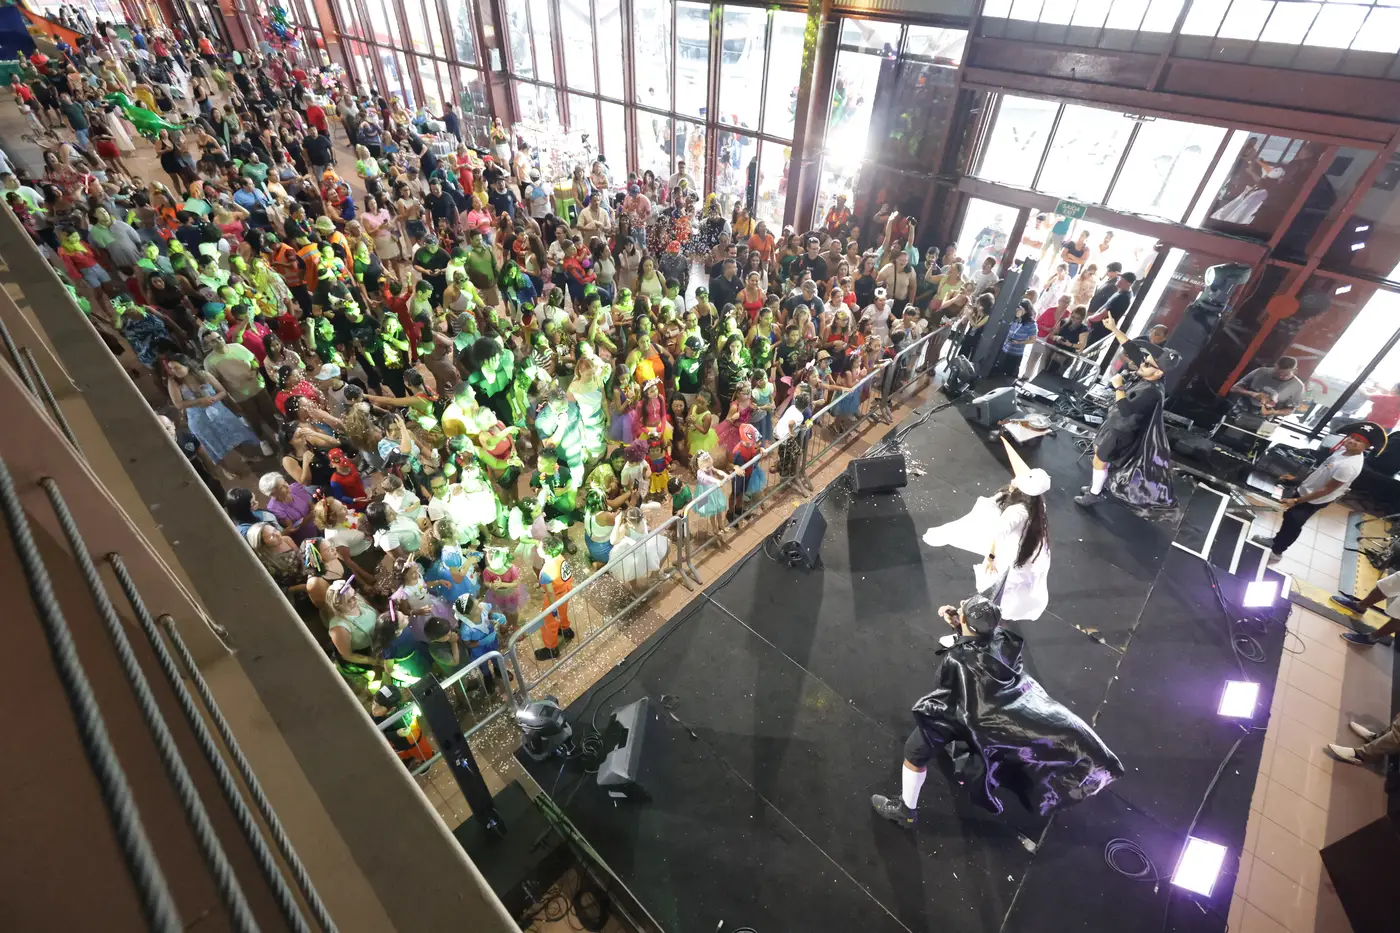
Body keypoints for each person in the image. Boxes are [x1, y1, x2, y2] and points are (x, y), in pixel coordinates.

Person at [870, 595, 1123, 827]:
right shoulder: (1003, 639)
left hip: (966, 714)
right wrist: (961, 627)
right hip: (995, 711)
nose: (960, 604)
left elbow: (945, 697)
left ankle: (905, 811)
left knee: (913, 753)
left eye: (963, 608)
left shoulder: (958, 660)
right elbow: (979, 646)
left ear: (966, 621)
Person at [923, 439, 1051, 622]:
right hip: (1024, 554)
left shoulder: (1017, 512)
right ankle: (994, 610)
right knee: (1011, 583)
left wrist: (991, 556)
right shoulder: (1038, 506)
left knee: (998, 583)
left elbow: (997, 533)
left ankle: (988, 615)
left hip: (1008, 554)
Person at [1074, 313, 1180, 508]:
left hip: (1120, 430)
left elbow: (1126, 410)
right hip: (1114, 424)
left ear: (1158, 372)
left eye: (1147, 363)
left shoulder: (1151, 391)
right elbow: (1132, 349)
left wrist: (1119, 387)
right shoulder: (1149, 373)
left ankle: (1094, 494)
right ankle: (1097, 486)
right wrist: (1114, 329)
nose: (1142, 362)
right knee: (1099, 454)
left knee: (1099, 461)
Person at [1251, 422, 1384, 563]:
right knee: (1289, 517)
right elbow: (1322, 470)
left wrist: (1296, 501)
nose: (1351, 441)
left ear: (1367, 447)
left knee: (1294, 522)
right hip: (1308, 489)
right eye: (1351, 437)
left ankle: (1277, 551)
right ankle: (1276, 541)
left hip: (1314, 499)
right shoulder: (1342, 451)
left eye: (1358, 441)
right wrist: (1299, 479)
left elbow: (1326, 490)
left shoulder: (1349, 466)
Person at [1229, 356, 1305, 421]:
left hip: (1262, 420)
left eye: (1286, 374)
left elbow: (1290, 410)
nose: (1281, 376)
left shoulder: (1298, 387)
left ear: (1295, 370)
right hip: (1238, 411)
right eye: (1278, 372)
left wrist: (1274, 412)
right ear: (1275, 365)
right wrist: (1253, 394)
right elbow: (1234, 388)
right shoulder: (1261, 372)